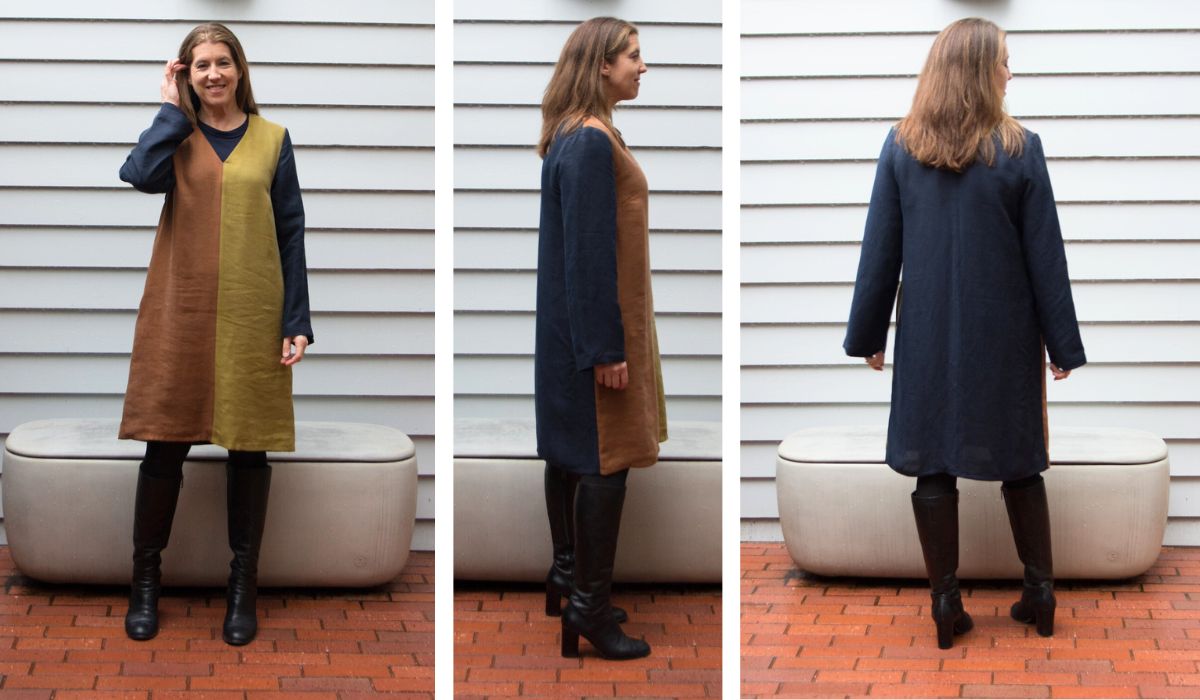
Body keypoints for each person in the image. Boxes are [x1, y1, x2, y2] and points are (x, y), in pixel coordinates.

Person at [844, 17, 1086, 650]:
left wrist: (870, 333)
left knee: (933, 465)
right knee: (1021, 463)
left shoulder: (902, 146)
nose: (1011, 71)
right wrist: (1061, 343)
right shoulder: (1020, 148)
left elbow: (880, 253)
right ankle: (1040, 594)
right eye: (1005, 61)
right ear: (981, 70)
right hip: (1005, 336)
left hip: (927, 335)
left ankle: (945, 606)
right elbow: (1046, 258)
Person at [117, 22, 312, 646]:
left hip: (255, 312)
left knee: (248, 449)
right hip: (185, 309)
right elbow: (138, 175)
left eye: (222, 62)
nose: (213, 74)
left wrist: (297, 321)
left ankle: (241, 586)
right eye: (199, 65)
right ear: (185, 74)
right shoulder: (176, 136)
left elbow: (291, 233)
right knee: (164, 443)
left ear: (239, 69)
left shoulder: (274, 140)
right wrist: (170, 110)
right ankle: (145, 582)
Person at [534, 16, 665, 661]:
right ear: (601, 64)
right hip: (593, 338)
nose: (643, 67)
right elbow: (588, 255)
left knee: (571, 457)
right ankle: (587, 604)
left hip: (574, 335)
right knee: (605, 462)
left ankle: (567, 574)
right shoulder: (588, 142)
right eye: (633, 56)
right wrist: (607, 349)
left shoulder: (578, 135)